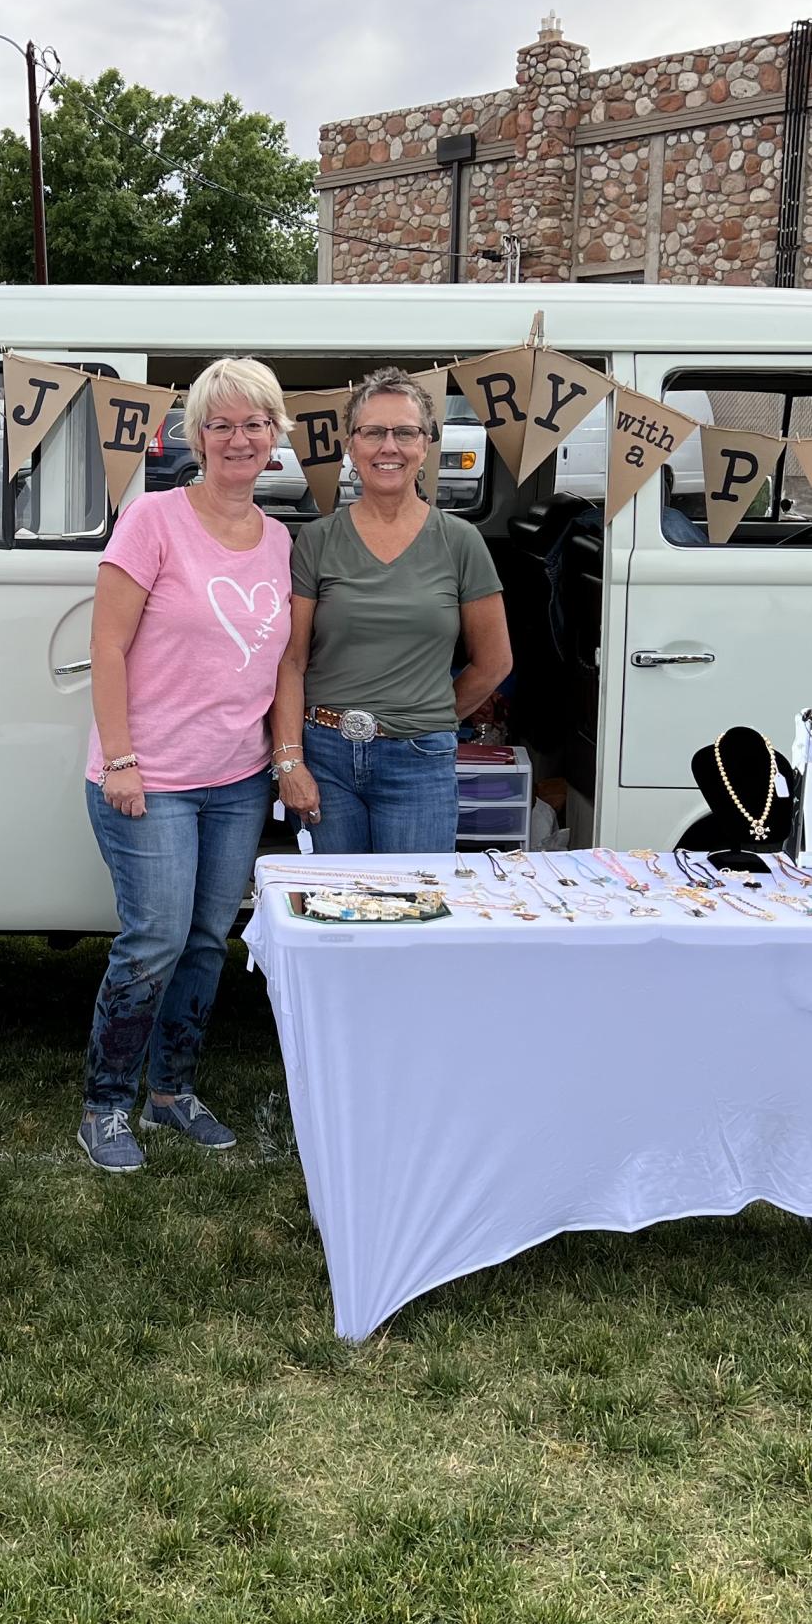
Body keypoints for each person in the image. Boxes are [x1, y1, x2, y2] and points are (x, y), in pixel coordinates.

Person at [79, 357, 306, 1173]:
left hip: (236, 778)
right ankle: (105, 1103)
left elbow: (283, 662)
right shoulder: (153, 519)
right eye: (222, 424)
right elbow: (105, 645)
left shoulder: (281, 541)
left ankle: (171, 1093)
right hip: (152, 774)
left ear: (276, 436)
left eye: (255, 423)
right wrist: (121, 759)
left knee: (209, 939)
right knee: (153, 942)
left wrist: (282, 759)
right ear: (197, 437)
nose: (239, 438)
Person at [273, 367, 511, 854]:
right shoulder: (316, 541)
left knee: (414, 911)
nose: (389, 446)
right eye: (374, 432)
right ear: (350, 444)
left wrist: (430, 717)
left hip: (419, 760)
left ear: (426, 445)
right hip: (326, 755)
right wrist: (290, 761)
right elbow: (291, 661)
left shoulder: (460, 542)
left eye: (405, 432)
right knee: (334, 914)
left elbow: (494, 663)